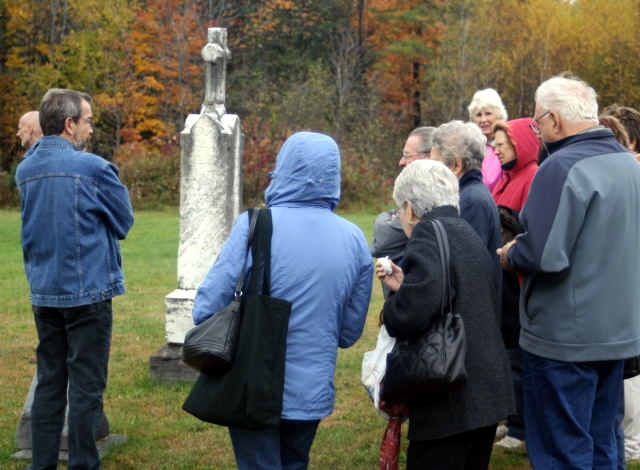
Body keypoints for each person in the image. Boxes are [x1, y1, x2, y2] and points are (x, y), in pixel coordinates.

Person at [192, 131, 373, 470]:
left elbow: (207, 307)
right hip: (312, 392)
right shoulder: (354, 239)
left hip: (253, 383)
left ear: (283, 169)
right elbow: (348, 333)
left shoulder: (255, 224)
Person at [497, 74, 640, 468]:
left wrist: (510, 253)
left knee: (562, 450)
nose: (537, 131)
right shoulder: (628, 164)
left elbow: (543, 254)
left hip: (564, 338)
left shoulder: (560, 167)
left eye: (537, 122)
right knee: (602, 442)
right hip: (617, 332)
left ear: (555, 120)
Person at [15, 88, 134, 470]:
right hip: (87, 295)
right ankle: (83, 464)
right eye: (88, 121)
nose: (91, 129)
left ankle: (42, 464)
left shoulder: (26, 170)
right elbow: (124, 221)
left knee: (50, 383)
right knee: (85, 387)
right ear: (69, 124)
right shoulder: (94, 169)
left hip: (45, 292)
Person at [377, 159, 514, 470]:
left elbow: (410, 315)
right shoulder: (464, 230)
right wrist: (408, 285)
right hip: (484, 389)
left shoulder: (427, 233)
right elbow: (450, 293)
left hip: (451, 395)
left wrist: (392, 308)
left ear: (410, 208)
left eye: (400, 209)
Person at [489, 118, 540, 451]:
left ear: (520, 143)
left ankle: (521, 428)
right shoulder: (505, 179)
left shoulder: (532, 177)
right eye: (494, 143)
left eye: (502, 143)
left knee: (518, 357)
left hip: (517, 283)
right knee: (506, 355)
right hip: (502, 279)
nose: (495, 149)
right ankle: (511, 418)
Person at [429, 120, 501, 287]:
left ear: (456, 165)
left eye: (434, 164)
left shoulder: (470, 201)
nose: (430, 171)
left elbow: (468, 268)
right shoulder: (471, 193)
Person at [371, 126, 435, 297]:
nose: (401, 161)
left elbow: (383, 240)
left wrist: (391, 217)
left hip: (415, 299)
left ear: (428, 157)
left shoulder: (432, 201)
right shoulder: (416, 193)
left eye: (407, 155)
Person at [468, 88, 508, 190]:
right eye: (478, 115)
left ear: (499, 116)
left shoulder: (509, 145)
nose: (483, 120)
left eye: (488, 113)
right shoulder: (469, 148)